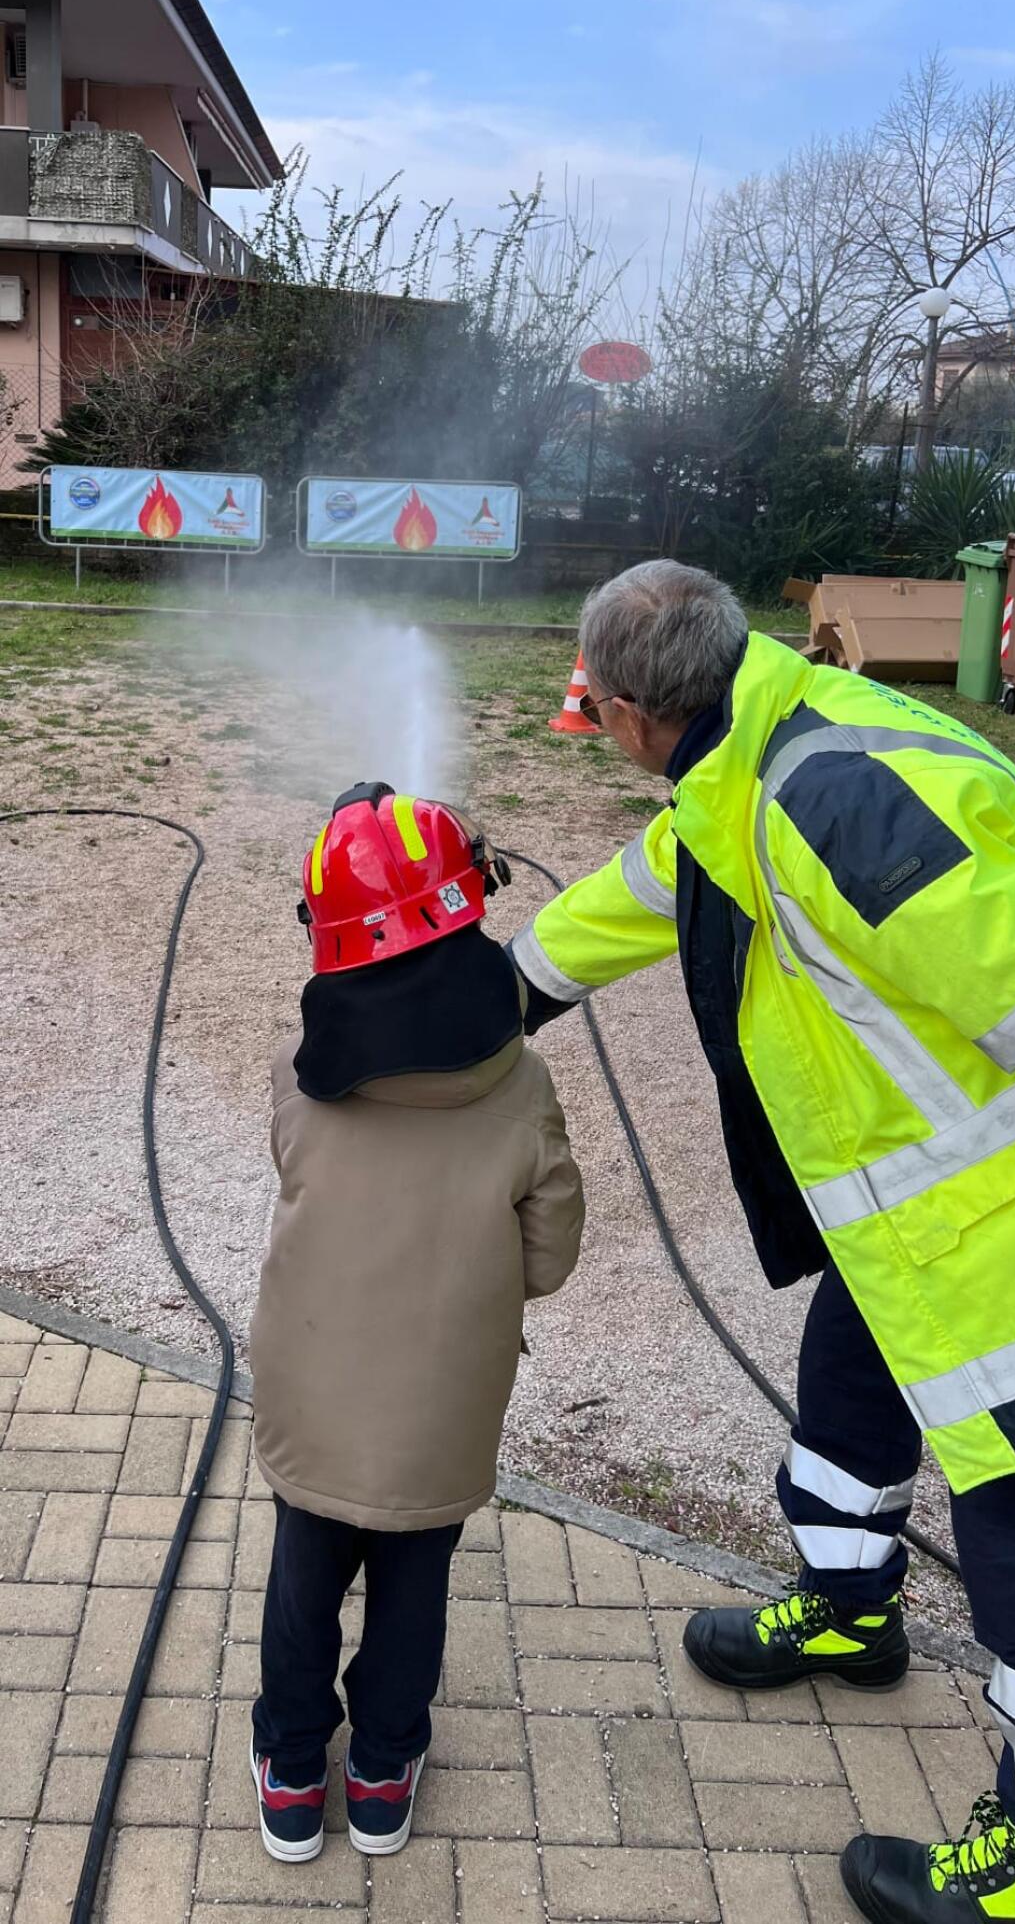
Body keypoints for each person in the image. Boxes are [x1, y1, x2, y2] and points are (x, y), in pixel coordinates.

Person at [509, 561, 1015, 1924]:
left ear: (640, 712)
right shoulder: (749, 756)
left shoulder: (837, 799)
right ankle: (847, 1605)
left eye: (600, 721)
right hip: (924, 1245)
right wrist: (499, 987)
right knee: (846, 1397)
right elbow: (650, 885)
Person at [248, 784, 584, 1864]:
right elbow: (551, 1253)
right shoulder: (523, 1087)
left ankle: (295, 1775)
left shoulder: (299, 1086)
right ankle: (385, 1772)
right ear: (469, 912)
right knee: (413, 1587)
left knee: (303, 1579)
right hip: (444, 1402)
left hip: (312, 1391)